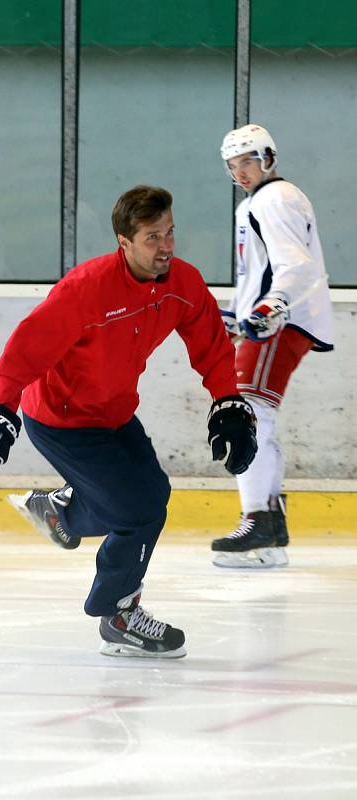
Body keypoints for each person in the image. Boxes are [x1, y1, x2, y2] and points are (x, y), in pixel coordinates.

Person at [0, 185, 257, 658]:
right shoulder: (87, 288)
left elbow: (210, 342)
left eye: (169, 233)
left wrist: (228, 402)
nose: (165, 247)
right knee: (137, 510)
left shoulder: (182, 283)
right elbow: (26, 347)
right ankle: (118, 615)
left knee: (152, 498)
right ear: (124, 241)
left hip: (116, 412)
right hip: (62, 418)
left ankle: (64, 512)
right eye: (152, 238)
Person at [212, 124, 333, 569]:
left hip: (279, 323)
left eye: (247, 161)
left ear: (267, 157)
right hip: (273, 320)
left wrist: (271, 307)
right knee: (255, 412)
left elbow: (294, 266)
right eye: (232, 165)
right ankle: (270, 527)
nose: (240, 172)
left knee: (249, 412)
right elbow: (256, 273)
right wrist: (235, 313)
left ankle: (259, 522)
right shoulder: (261, 201)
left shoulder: (274, 198)